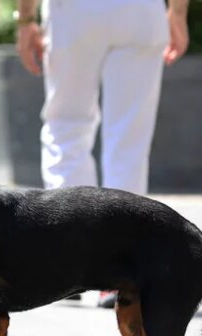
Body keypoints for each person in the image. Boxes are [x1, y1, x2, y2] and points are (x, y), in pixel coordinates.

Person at [15, 0, 189, 307]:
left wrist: (25, 18)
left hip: (74, 12)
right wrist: (177, 12)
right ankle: (120, 269)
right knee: (129, 138)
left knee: (67, 126)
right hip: (140, 12)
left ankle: (68, 264)